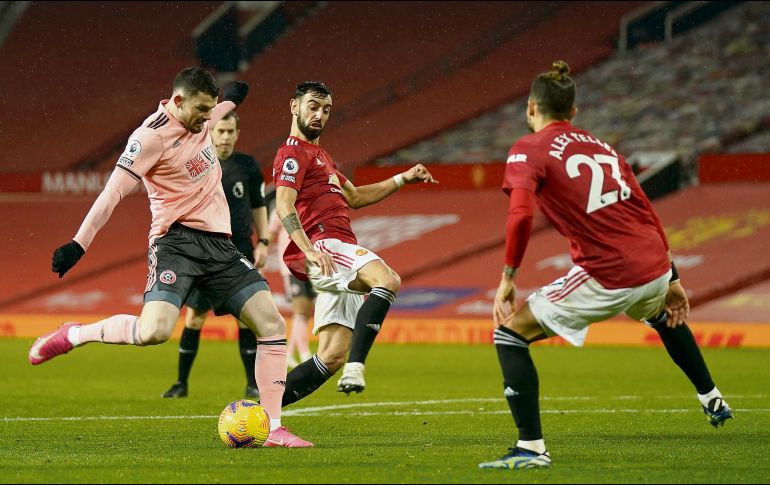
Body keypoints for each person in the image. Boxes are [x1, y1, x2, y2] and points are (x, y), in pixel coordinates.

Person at [29, 67, 312, 448]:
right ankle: (74, 334)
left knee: (272, 323)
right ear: (178, 101)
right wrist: (78, 244)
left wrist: (232, 99)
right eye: (202, 110)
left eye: (211, 110)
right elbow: (112, 193)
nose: (208, 119)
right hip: (176, 244)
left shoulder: (202, 115)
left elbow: (218, 109)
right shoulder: (149, 138)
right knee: (155, 332)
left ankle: (274, 427)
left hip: (221, 246)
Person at [479, 61, 733, 470]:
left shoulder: (529, 148)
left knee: (510, 335)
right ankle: (713, 398)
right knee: (662, 316)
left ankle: (531, 449)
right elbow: (645, 209)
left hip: (609, 271)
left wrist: (508, 277)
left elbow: (521, 214)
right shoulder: (603, 147)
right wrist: (672, 277)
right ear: (573, 111)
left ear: (531, 107)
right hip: (652, 265)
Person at [273, 81, 437, 406]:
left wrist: (403, 178)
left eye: (326, 110)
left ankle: (260, 412)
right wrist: (308, 250)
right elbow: (283, 204)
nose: (319, 115)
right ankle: (356, 368)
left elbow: (356, 196)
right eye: (312, 107)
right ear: (294, 106)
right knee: (387, 279)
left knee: (331, 356)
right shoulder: (293, 152)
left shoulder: (322, 157)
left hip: (335, 256)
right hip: (326, 247)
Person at [162, 111, 269, 400]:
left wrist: (264, 241)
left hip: (239, 249)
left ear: (237, 134)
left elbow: (258, 205)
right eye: (220, 131)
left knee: (246, 316)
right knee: (195, 317)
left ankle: (252, 384)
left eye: (230, 131)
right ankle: (181, 383)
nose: (225, 137)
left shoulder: (247, 166)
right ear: (210, 132)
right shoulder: (196, 163)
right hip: (203, 250)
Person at [267, 208, 317, 369]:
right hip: (292, 264)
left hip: (310, 264)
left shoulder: (309, 204)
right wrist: (262, 257)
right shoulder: (281, 207)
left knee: (306, 310)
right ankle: (304, 353)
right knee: (300, 308)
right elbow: (270, 234)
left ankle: (289, 353)